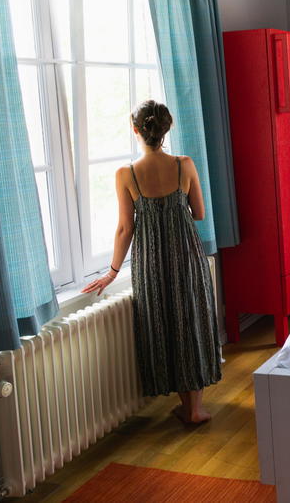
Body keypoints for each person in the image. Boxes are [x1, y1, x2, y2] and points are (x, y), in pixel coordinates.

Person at [82, 100, 222, 425]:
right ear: (167, 128)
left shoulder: (125, 174)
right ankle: (195, 409)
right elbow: (199, 214)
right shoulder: (183, 165)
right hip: (186, 257)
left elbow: (125, 228)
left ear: (136, 130)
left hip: (151, 264)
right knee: (191, 323)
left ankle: (185, 407)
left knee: (165, 326)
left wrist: (112, 272)